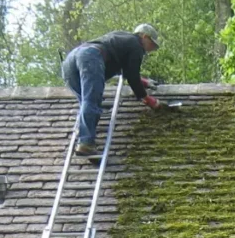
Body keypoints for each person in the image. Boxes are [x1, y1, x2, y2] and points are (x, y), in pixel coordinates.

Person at [61, 23, 165, 159]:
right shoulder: (136, 45)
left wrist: (143, 81)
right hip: (90, 58)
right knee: (92, 101)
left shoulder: (121, 38)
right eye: (152, 44)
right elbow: (132, 76)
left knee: (86, 102)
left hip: (71, 60)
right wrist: (147, 99)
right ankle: (85, 143)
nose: (150, 50)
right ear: (144, 36)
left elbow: (126, 71)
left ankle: (86, 139)